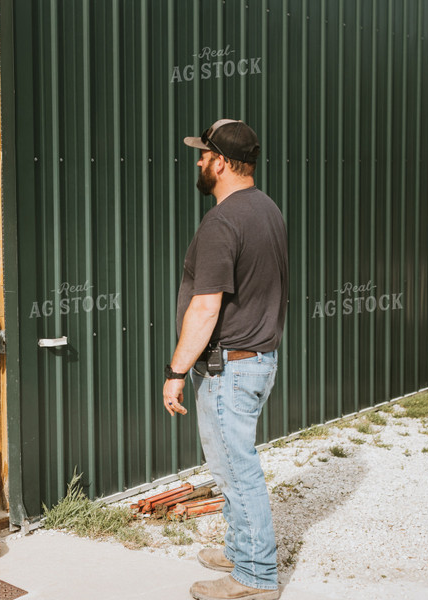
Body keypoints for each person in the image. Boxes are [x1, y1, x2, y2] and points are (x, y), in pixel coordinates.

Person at [163, 119, 288, 600]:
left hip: (231, 366)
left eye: (203, 155)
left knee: (239, 472)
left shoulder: (222, 220)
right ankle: (240, 549)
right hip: (254, 360)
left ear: (221, 161)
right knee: (228, 467)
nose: (197, 162)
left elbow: (206, 304)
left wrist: (175, 372)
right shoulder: (266, 209)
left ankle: (255, 578)